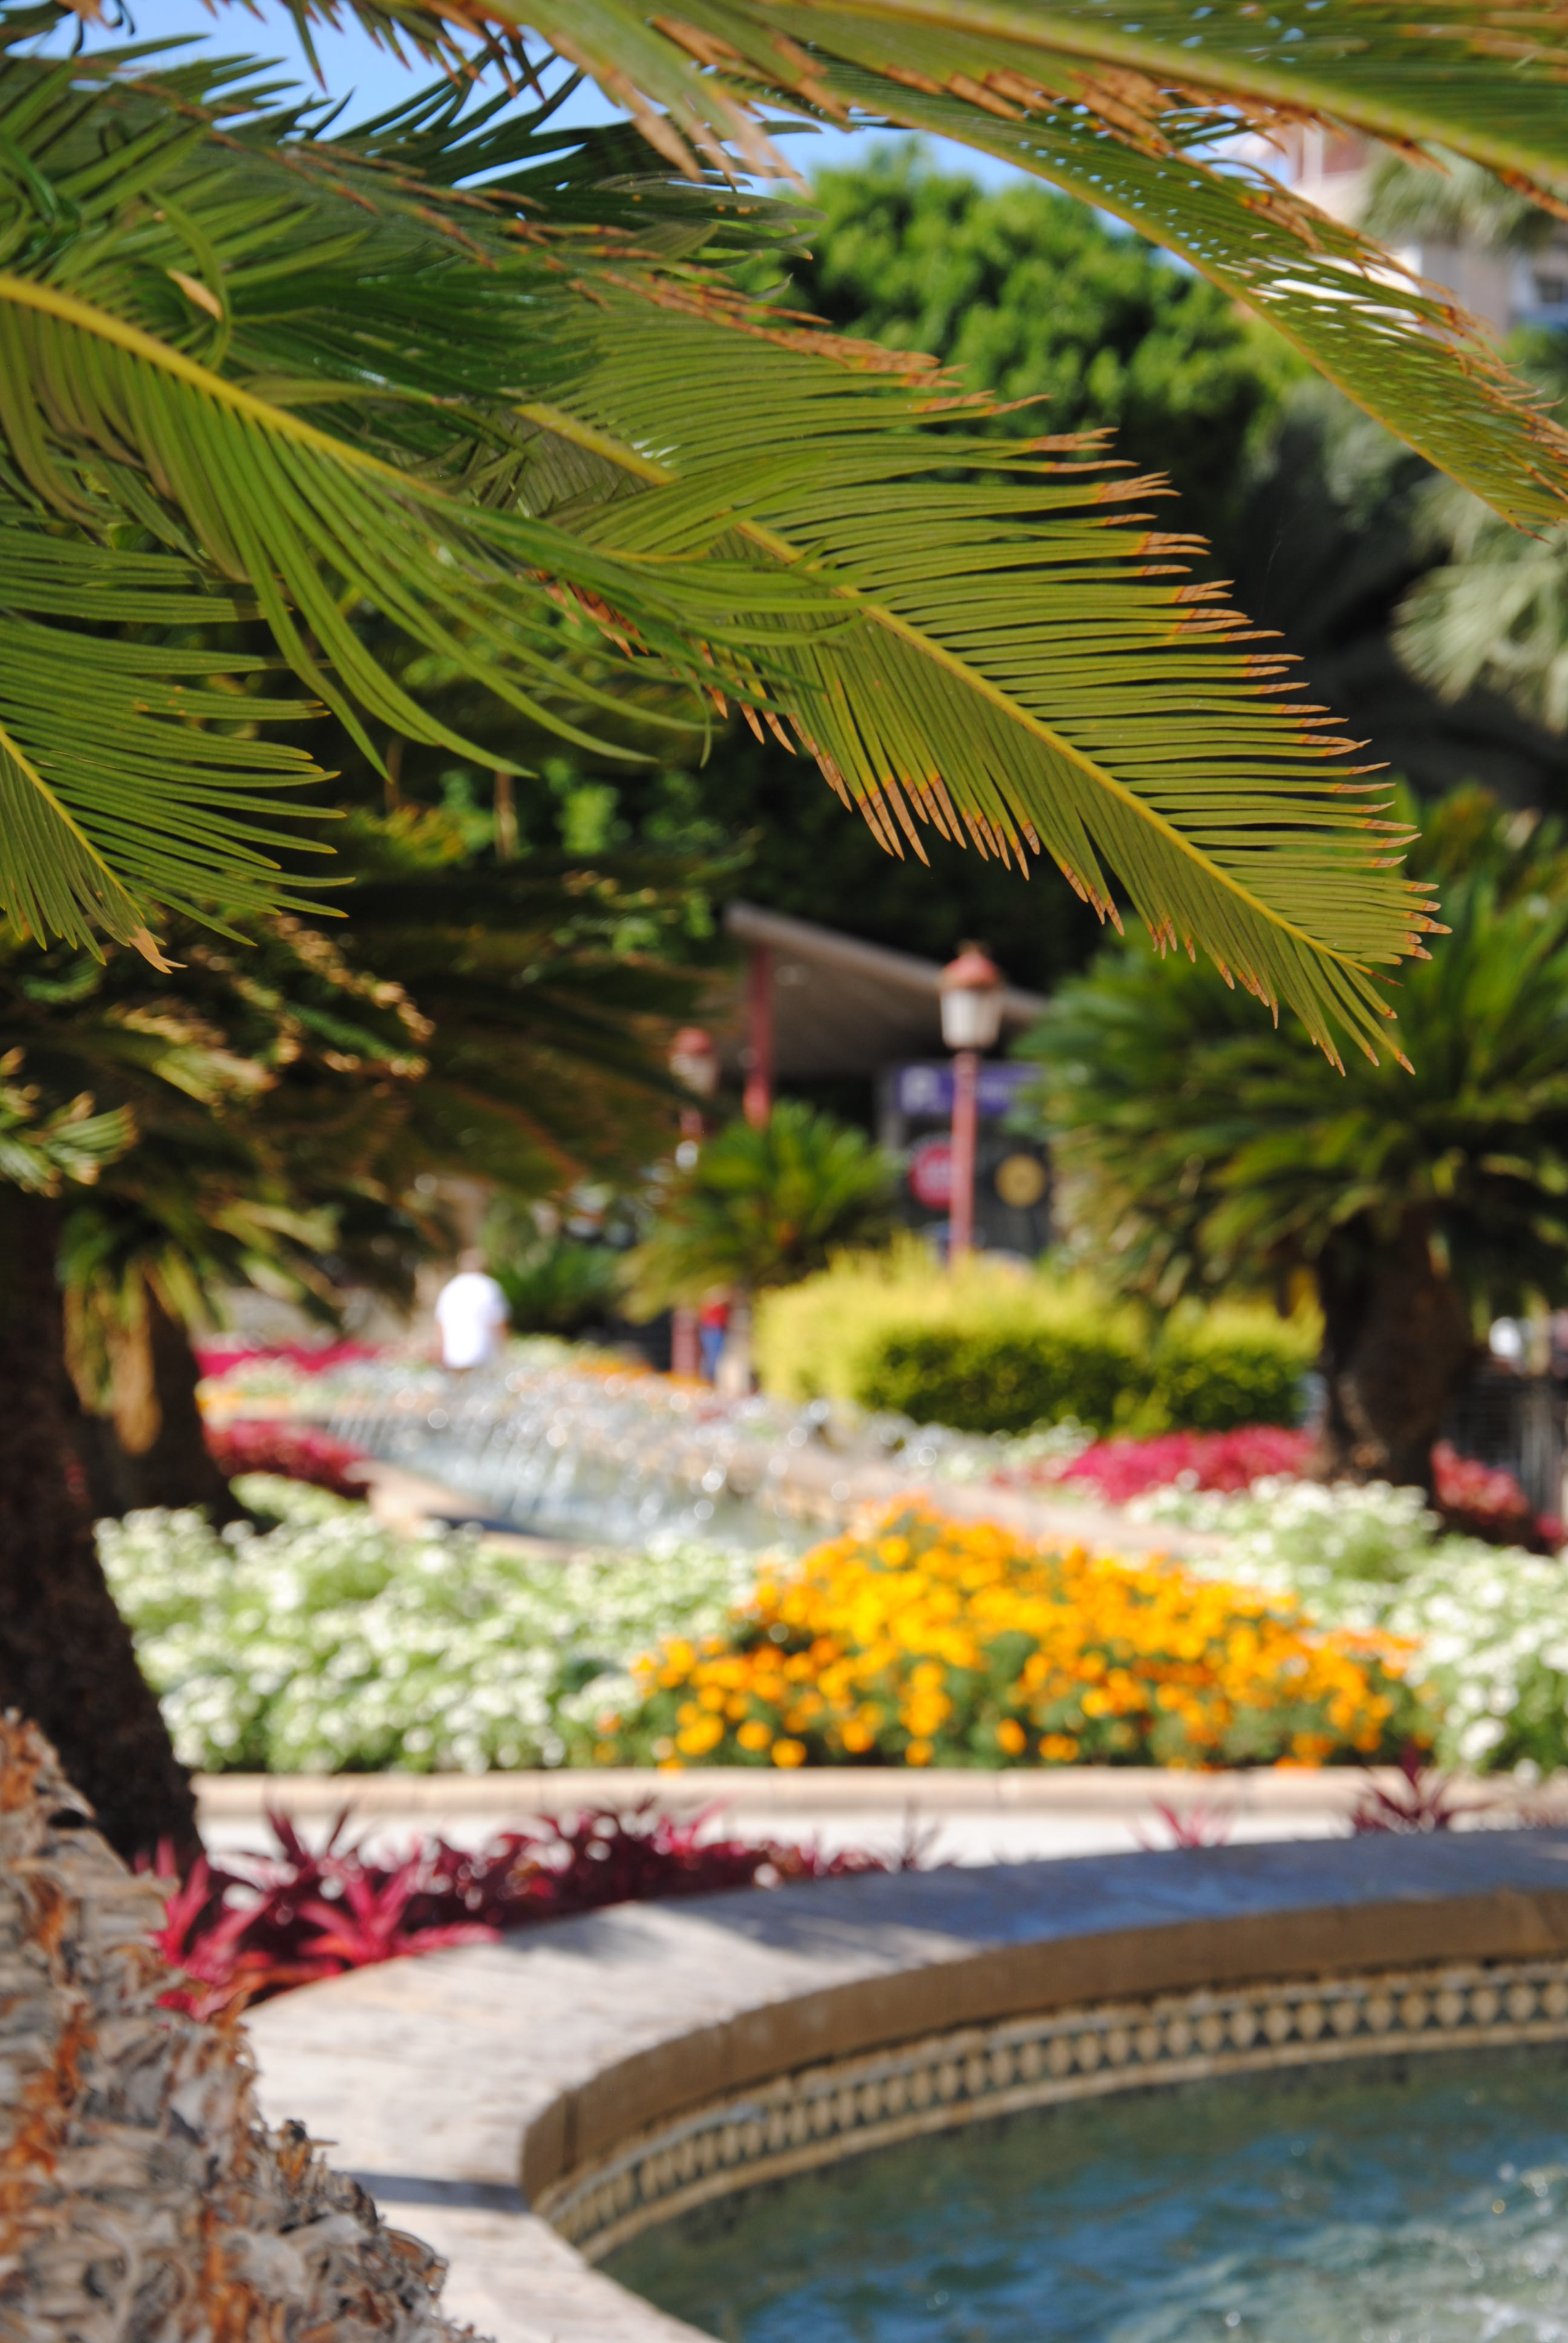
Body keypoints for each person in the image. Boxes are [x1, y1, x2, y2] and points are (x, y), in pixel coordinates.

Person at [434, 1250, 510, 1372]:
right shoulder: (489, 1287)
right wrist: (504, 1351)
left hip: (454, 1357)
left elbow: (440, 1325)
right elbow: (499, 1323)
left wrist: (442, 1354)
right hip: (483, 1356)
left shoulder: (450, 1289)